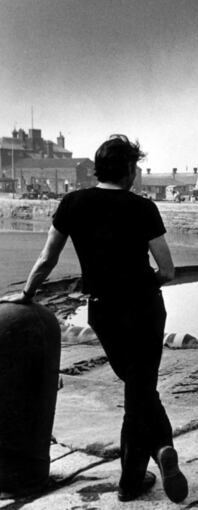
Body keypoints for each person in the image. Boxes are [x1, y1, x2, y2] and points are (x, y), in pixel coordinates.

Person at [0, 135, 188, 503]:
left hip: (105, 311)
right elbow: (167, 270)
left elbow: (47, 259)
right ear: (131, 171)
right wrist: (140, 283)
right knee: (141, 389)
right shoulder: (143, 208)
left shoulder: (72, 203)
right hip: (146, 309)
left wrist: (27, 293)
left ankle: (138, 475)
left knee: (137, 389)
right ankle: (154, 456)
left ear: (98, 169)